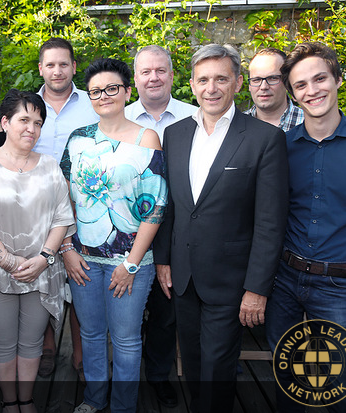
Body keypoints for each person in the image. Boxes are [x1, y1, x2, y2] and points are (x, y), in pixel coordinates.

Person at [154, 43, 288, 413]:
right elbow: (172, 207)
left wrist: (257, 288)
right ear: (192, 85)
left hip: (231, 281)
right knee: (195, 366)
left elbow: (270, 222)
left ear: (238, 83)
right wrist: (163, 260)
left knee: (217, 368)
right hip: (183, 276)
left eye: (220, 79)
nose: (211, 88)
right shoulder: (176, 135)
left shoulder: (265, 139)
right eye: (203, 80)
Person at [266, 42, 346, 413]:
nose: (312, 91)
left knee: (344, 391)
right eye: (301, 85)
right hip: (285, 279)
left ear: (338, 79)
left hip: (339, 286)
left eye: (320, 78)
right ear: (293, 95)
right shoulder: (280, 147)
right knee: (289, 385)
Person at [60, 58, 166, 413]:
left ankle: (123, 406)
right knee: (90, 335)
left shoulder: (146, 137)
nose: (103, 96)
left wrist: (132, 264)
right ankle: (93, 400)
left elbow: (155, 207)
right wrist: (66, 248)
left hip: (130, 261)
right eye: (95, 91)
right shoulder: (78, 140)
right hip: (82, 260)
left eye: (111, 88)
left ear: (127, 91)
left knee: (125, 339)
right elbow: (63, 200)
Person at [0, 89, 75, 413]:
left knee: (33, 341)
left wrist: (43, 259)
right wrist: (9, 261)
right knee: (2, 342)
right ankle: (10, 402)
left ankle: (26, 400)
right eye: (24, 119)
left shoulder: (50, 166)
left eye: (38, 123)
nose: (31, 129)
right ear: (6, 122)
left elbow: (62, 218)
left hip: (42, 270)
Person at [124, 44, 197, 408]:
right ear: (134, 78)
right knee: (128, 310)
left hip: (179, 230)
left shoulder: (196, 116)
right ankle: (125, 374)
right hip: (127, 231)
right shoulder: (117, 118)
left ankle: (158, 375)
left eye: (161, 70)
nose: (153, 77)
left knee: (167, 310)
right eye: (145, 71)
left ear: (172, 74)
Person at [33, 37, 98, 379]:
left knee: (79, 277)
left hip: (85, 205)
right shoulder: (29, 107)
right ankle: (46, 347)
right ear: (41, 68)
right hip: (36, 208)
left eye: (63, 64)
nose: (57, 71)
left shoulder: (93, 104)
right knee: (41, 276)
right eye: (50, 64)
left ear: (74, 67)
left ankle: (81, 352)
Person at [245, 47, 303, 132]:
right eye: (256, 80)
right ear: (250, 85)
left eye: (272, 78)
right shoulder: (235, 126)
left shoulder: (307, 123)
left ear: (287, 82)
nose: (263, 87)